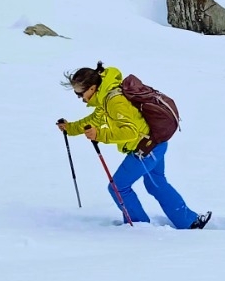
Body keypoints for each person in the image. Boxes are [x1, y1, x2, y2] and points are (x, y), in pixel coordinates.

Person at [57, 65, 209, 229]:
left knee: (118, 187)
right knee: (156, 183)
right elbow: (95, 119)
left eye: (80, 93)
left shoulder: (114, 101)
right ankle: (188, 221)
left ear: (92, 88)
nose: (79, 97)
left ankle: (139, 227)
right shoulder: (106, 96)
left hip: (146, 149)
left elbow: (130, 132)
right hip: (155, 144)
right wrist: (71, 128)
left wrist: (100, 135)